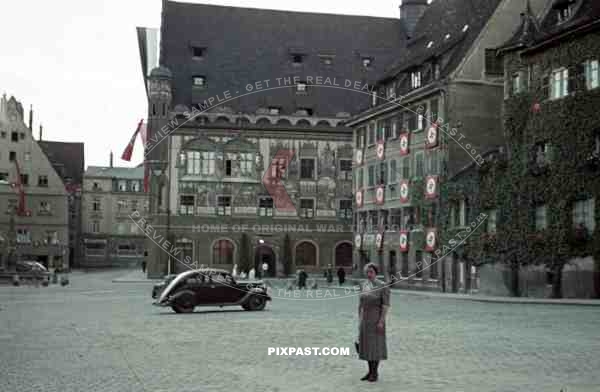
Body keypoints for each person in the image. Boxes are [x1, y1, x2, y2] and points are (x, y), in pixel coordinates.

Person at [357, 263, 390, 382]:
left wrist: (381, 321)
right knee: (366, 346)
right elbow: (360, 304)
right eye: (367, 272)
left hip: (376, 318)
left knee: (375, 346)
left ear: (376, 273)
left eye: (371, 272)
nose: (369, 274)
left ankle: (375, 373)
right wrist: (359, 319)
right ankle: (369, 371)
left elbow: (385, 305)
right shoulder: (363, 285)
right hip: (365, 319)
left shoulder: (383, 286)